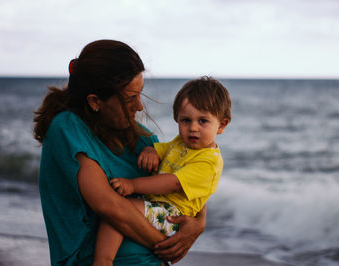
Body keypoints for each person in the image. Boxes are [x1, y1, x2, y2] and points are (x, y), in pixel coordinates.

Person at [33, 39, 206, 266]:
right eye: (129, 98)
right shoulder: (67, 129)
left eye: (140, 94)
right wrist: (168, 246)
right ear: (95, 101)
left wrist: (199, 223)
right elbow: (109, 205)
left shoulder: (143, 139)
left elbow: (186, 176)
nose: (140, 106)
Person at [93, 77, 231, 265]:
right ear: (177, 119)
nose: (193, 128)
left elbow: (172, 183)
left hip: (173, 216)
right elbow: (164, 149)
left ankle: (103, 261)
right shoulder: (182, 143)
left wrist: (133, 185)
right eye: (185, 120)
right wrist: (151, 150)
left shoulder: (209, 162)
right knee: (117, 213)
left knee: (120, 209)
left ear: (221, 125)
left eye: (203, 121)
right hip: (156, 205)